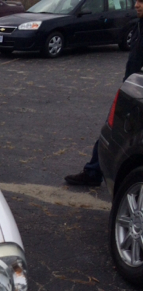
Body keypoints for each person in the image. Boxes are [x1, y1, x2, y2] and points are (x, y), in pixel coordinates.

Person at [65, 0, 143, 186]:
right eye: (137, 1)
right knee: (113, 130)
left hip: (138, 89)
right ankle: (93, 171)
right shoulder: (139, 24)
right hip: (132, 87)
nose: (137, 5)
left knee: (116, 131)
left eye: (141, 2)